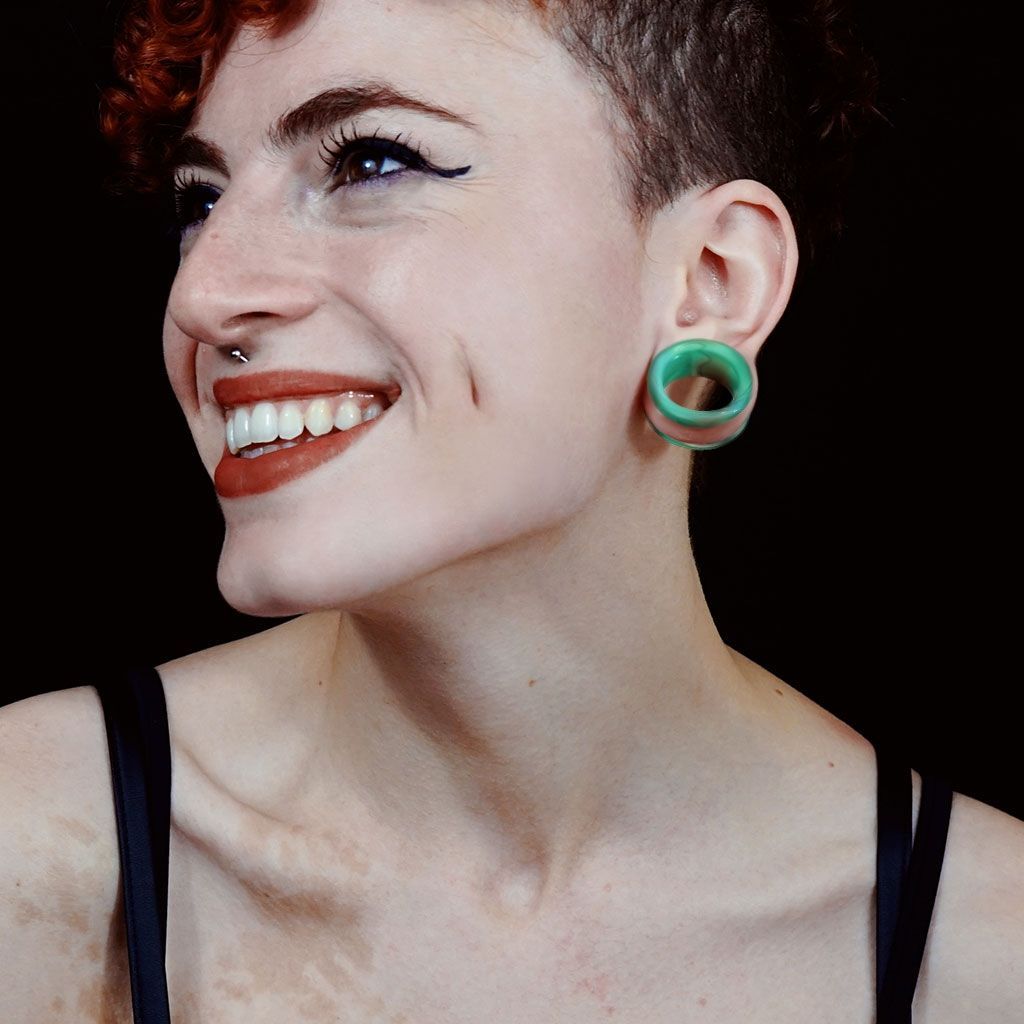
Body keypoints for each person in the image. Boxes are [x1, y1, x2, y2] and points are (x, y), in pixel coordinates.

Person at [2, 0, 1021, 1021]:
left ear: (713, 281)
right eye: (201, 198)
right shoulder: (34, 847)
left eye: (371, 162)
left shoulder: (988, 951)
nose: (203, 295)